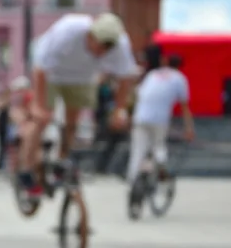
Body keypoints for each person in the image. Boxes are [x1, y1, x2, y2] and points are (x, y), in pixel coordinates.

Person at [19, 13, 139, 198]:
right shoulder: (69, 30)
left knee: (72, 123)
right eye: (99, 46)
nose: (101, 53)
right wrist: (39, 107)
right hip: (51, 73)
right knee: (40, 120)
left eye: (107, 49)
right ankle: (26, 170)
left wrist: (119, 110)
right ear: (90, 35)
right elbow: (40, 69)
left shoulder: (120, 44)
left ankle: (61, 160)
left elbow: (124, 79)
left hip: (81, 78)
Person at [125, 54, 195, 189]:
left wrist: (129, 116)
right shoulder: (180, 79)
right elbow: (185, 107)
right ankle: (160, 169)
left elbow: (139, 95)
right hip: (159, 118)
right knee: (158, 146)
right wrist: (189, 129)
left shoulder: (152, 74)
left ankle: (132, 182)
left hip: (140, 116)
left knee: (138, 150)